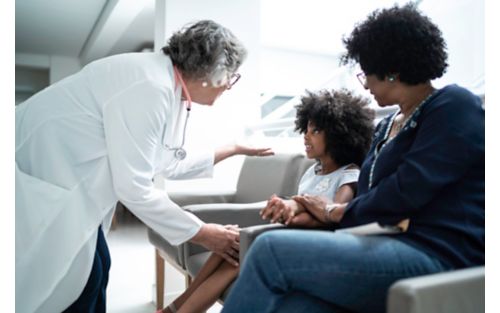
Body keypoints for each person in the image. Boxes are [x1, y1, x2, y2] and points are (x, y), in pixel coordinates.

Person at [221, 4, 485, 313]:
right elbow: (369, 195)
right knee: (292, 305)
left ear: (390, 70)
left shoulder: (454, 105)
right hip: (386, 242)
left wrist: (334, 212)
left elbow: (405, 191)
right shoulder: (386, 125)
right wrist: (309, 208)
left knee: (269, 250)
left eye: (366, 74)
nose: (366, 85)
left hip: (438, 252)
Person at [15, 20, 273, 313]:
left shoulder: (164, 84)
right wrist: (202, 232)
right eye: (231, 75)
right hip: (39, 174)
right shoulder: (148, 86)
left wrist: (234, 149)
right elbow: (134, 188)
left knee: (96, 269)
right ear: (209, 72)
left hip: (65, 180)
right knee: (79, 281)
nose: (229, 84)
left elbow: (166, 162)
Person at [157, 89, 374, 313]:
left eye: (315, 131)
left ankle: (178, 310)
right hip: (286, 232)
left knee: (235, 260)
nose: (306, 136)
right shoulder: (313, 171)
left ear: (339, 134)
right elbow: (297, 204)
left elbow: (335, 216)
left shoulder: (349, 174)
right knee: (228, 245)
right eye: (305, 129)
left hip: (309, 242)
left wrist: (295, 208)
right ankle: (176, 307)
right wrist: (281, 206)